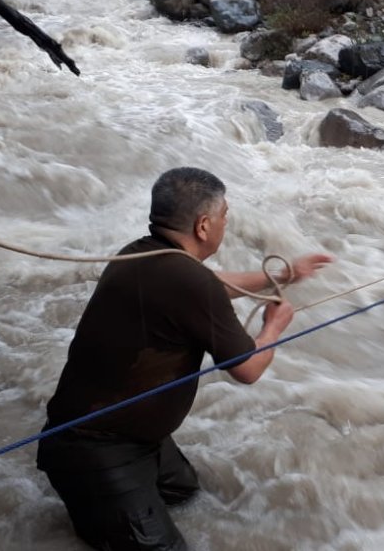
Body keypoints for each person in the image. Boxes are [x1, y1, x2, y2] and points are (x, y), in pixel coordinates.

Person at [36, 167, 333, 551]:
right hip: (95, 448)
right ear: (204, 225)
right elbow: (248, 370)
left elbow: (213, 283)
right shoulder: (189, 280)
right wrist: (274, 327)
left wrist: (285, 274)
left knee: (185, 493)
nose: (227, 223)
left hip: (136, 439)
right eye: (225, 215)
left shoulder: (140, 251)